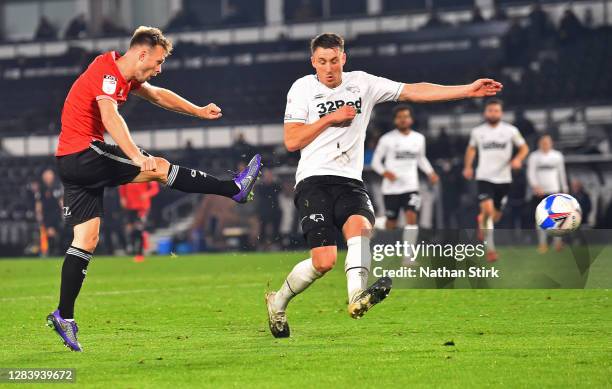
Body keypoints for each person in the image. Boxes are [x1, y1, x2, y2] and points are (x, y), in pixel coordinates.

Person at [265, 32, 503, 338]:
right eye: (322, 61)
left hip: (350, 181)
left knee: (360, 229)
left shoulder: (362, 83)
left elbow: (414, 91)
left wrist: (467, 90)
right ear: (313, 62)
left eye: (334, 61)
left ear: (344, 59)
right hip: (313, 180)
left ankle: (356, 298)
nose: (329, 68)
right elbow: (291, 140)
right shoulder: (302, 88)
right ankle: (279, 303)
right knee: (323, 262)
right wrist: (330, 119)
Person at [46, 26, 262, 352]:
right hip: (82, 154)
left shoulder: (125, 75)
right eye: (158, 61)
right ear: (141, 53)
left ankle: (64, 315)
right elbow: (109, 115)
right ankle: (234, 188)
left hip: (71, 162)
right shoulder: (107, 73)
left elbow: (160, 95)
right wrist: (136, 155)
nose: (159, 68)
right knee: (158, 167)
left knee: (86, 239)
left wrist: (198, 110)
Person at [463, 99, 529, 262]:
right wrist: (468, 166)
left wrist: (518, 159)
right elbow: (471, 149)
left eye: (496, 110)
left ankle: (482, 220)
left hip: (504, 179)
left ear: (501, 113)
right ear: (485, 112)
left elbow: (524, 147)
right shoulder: (478, 132)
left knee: (495, 216)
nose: (493, 113)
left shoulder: (511, 131)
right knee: (487, 210)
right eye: (490, 110)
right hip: (484, 177)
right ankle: (490, 250)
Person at [371, 105, 438, 261]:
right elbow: (375, 162)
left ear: (411, 119)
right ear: (395, 120)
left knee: (411, 218)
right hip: (391, 189)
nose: (403, 119)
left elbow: (421, 158)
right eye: (400, 117)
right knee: (391, 224)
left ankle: (408, 258)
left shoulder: (418, 138)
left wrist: (431, 172)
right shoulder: (387, 139)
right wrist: (386, 173)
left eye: (406, 116)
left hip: (411, 186)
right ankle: (374, 224)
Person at [527, 134, 568, 253]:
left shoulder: (557, 156)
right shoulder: (534, 156)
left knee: (557, 218)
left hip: (554, 190)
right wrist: (535, 186)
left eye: (547, 142)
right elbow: (531, 173)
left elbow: (562, 173)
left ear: (551, 143)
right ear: (539, 143)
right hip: (539, 192)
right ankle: (542, 244)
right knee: (541, 219)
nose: (545, 144)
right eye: (543, 142)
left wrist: (564, 188)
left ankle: (558, 243)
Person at [119, 181, 160, 262]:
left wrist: (147, 194)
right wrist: (122, 197)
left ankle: (140, 253)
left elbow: (155, 189)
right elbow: (122, 186)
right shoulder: (128, 173)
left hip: (142, 207)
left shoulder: (147, 172)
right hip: (130, 207)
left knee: (139, 230)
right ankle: (134, 250)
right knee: (131, 231)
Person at [35, 169, 64, 256]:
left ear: (52, 176)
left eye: (49, 175)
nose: (47, 177)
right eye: (46, 176)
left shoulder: (57, 187)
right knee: (49, 233)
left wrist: (64, 212)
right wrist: (38, 213)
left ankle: (58, 250)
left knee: (59, 232)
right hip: (46, 214)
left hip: (57, 213)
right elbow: (38, 202)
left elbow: (61, 201)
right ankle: (49, 251)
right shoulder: (41, 188)